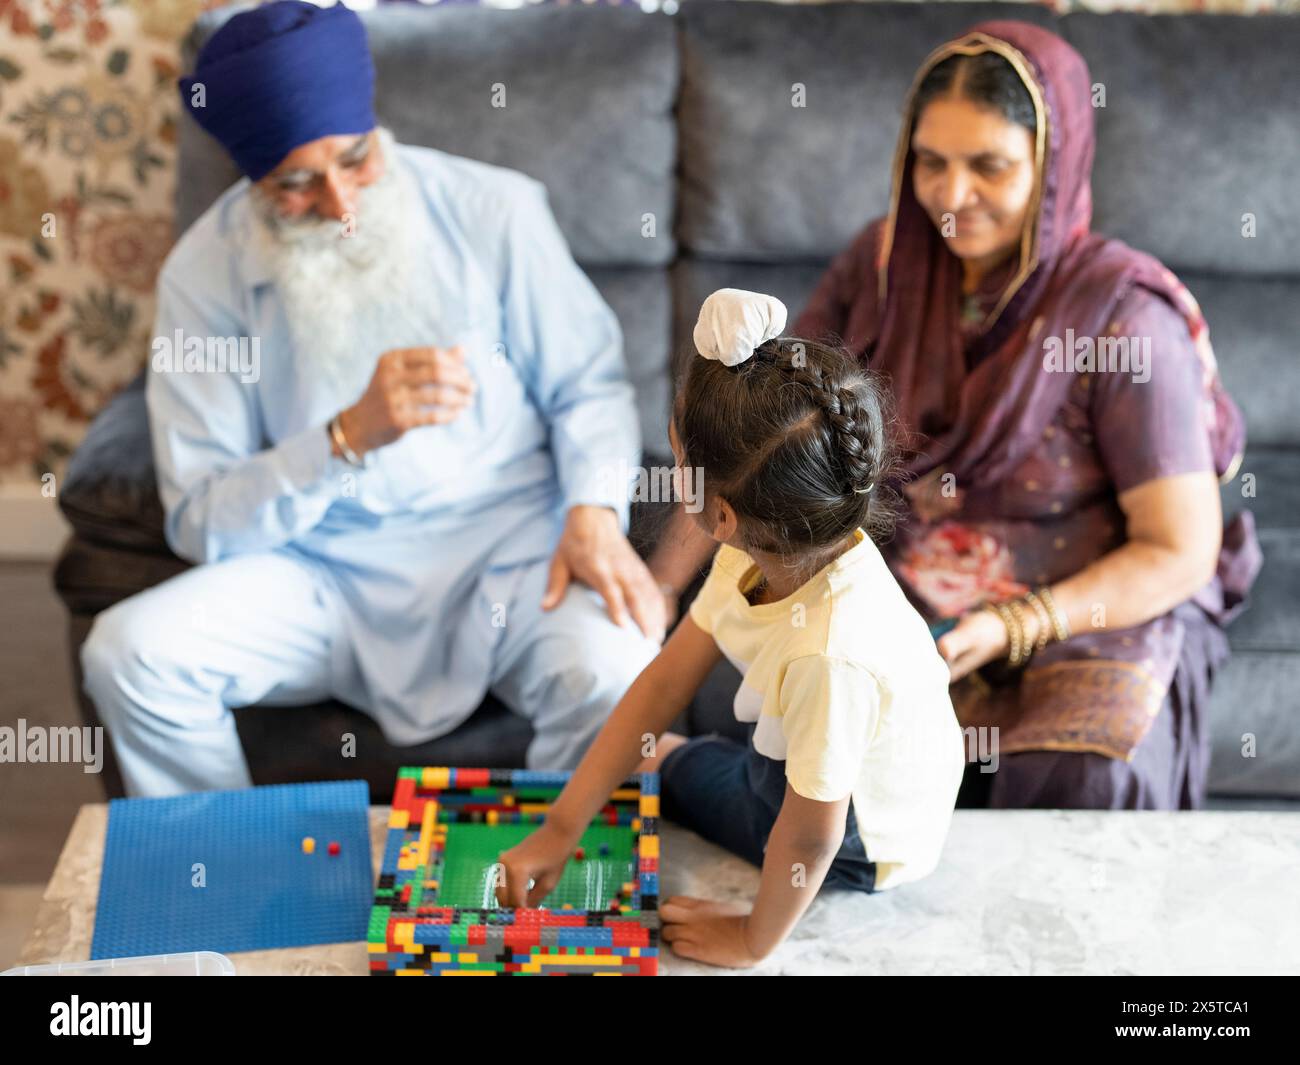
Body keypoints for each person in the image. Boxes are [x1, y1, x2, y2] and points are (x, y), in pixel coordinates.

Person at [648, 21, 1260, 811]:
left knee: (1084, 772)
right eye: (930, 162)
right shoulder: (884, 268)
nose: (951, 195)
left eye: (990, 166)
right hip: (907, 588)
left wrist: (1014, 624)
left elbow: (1179, 549)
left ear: (1053, 164)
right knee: (835, 780)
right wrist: (661, 585)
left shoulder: (1123, 318)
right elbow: (756, 429)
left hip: (1087, 607)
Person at [80, 1, 664, 797]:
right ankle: (224, 876)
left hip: (509, 548)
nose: (341, 205)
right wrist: (343, 438)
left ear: (374, 128)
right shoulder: (202, 275)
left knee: (616, 666)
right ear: (252, 178)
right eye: (295, 183)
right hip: (319, 569)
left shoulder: (494, 209)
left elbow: (588, 386)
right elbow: (201, 518)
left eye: (354, 160)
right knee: (128, 653)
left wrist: (593, 511)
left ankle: (550, 891)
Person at [497, 290, 965, 969]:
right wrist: (562, 825)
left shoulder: (828, 658)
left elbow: (810, 840)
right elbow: (661, 684)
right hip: (810, 761)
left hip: (867, 835)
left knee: (679, 775)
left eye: (675, 446)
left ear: (717, 514)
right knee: (652, 758)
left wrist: (751, 939)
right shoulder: (767, 540)